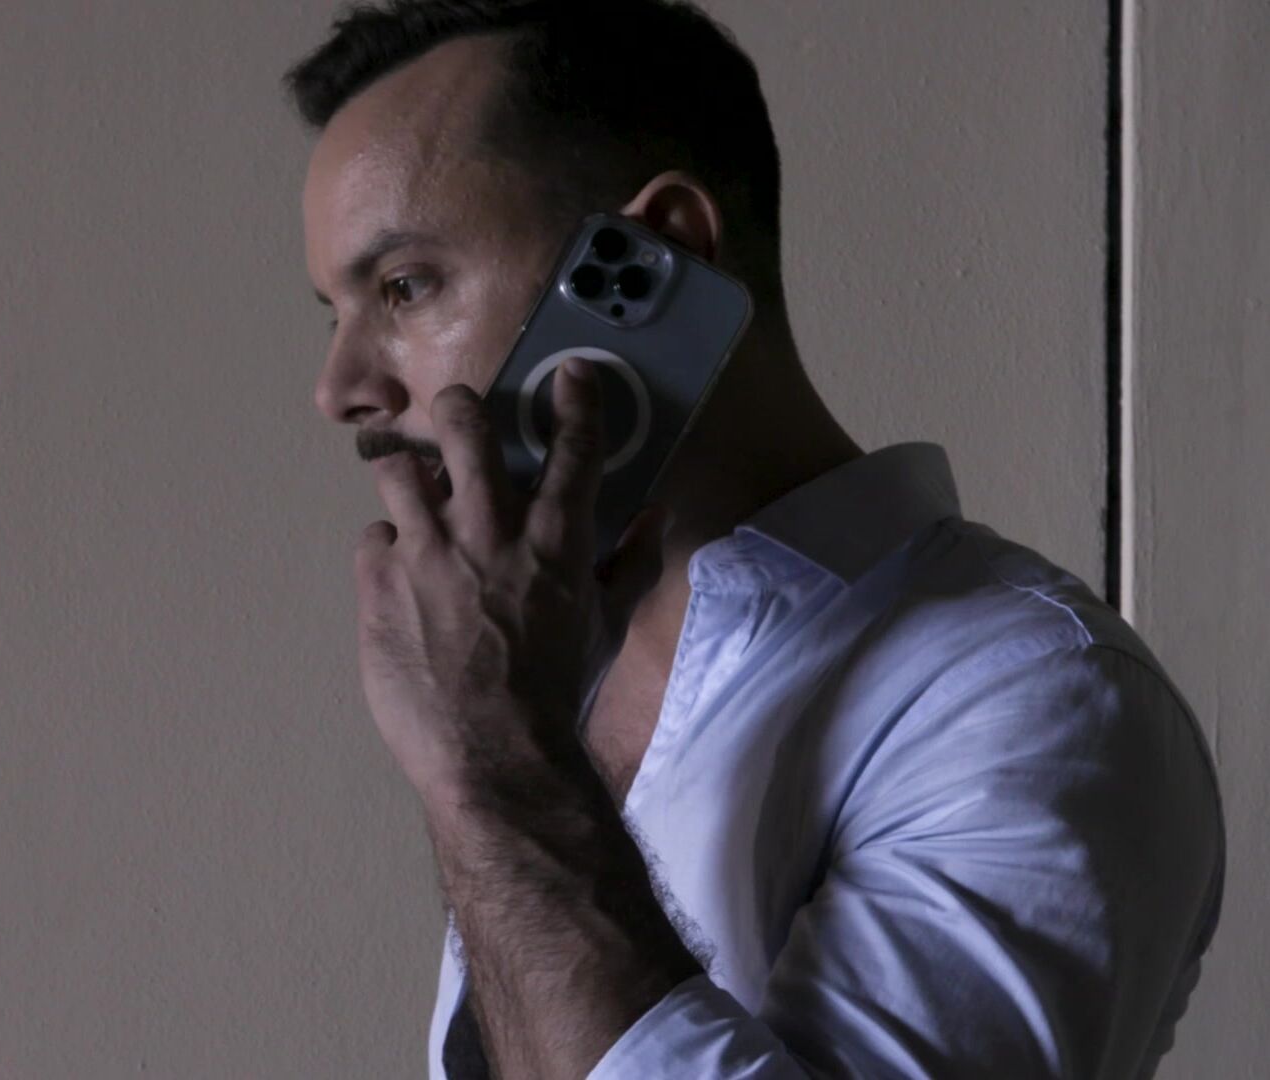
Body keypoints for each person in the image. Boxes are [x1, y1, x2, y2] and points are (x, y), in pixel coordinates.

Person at [285, 2, 1226, 1076]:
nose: (339, 389)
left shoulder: (1036, 702)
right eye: (335, 312)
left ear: (657, 253)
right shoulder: (545, 659)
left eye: (404, 287)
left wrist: (495, 765)